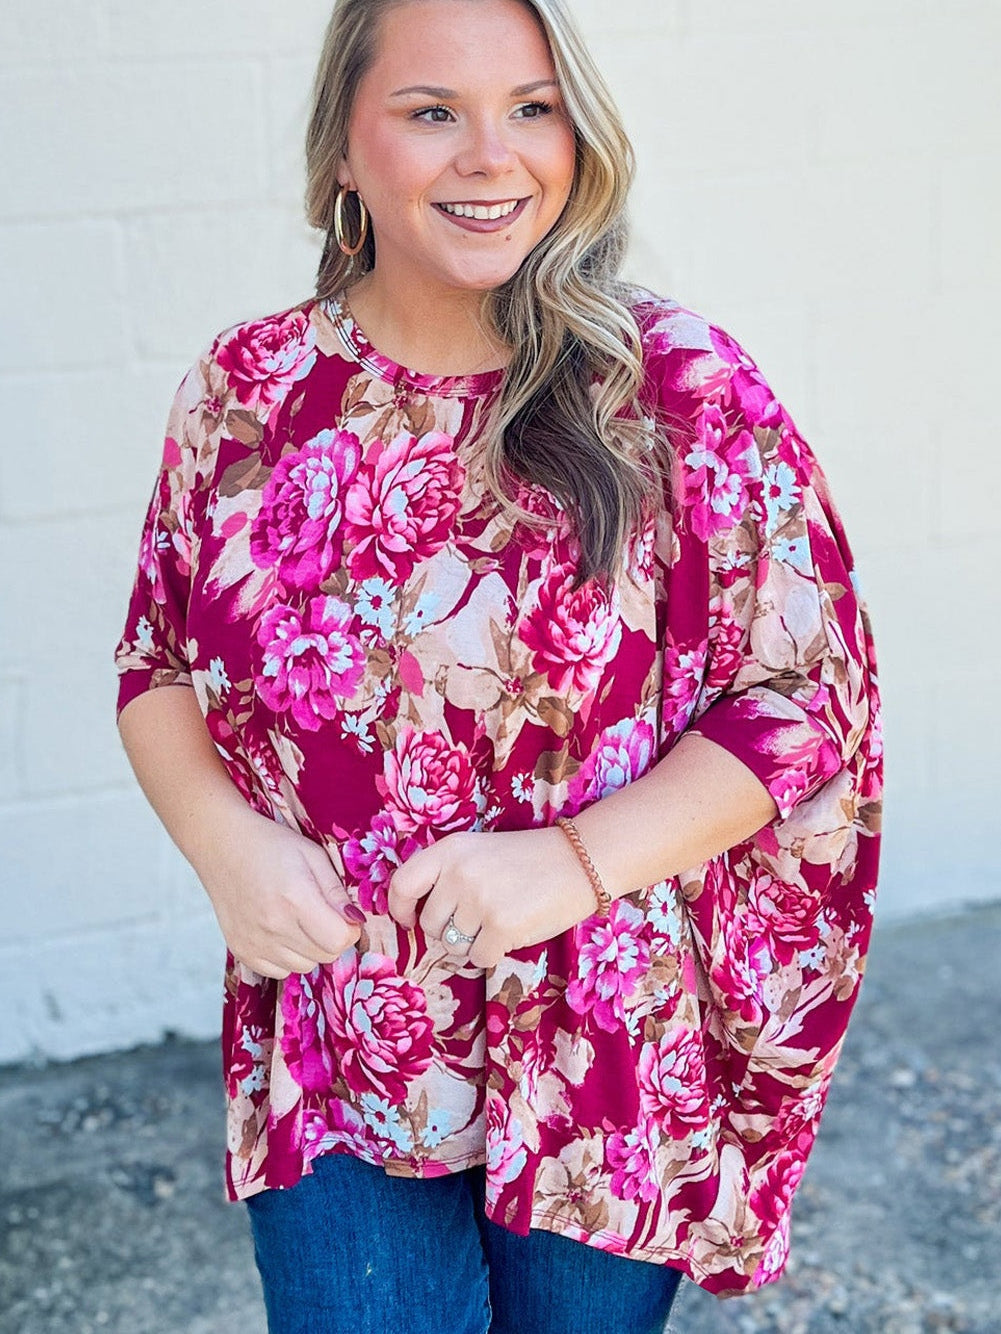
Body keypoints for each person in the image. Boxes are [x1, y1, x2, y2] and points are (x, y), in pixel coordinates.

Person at [114, 0, 883, 1330]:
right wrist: (225, 848)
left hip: (602, 1046)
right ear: (341, 154)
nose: (492, 155)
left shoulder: (673, 389)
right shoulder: (247, 392)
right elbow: (157, 659)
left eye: (532, 107)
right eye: (431, 113)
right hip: (344, 1034)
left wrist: (569, 864)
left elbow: (802, 699)